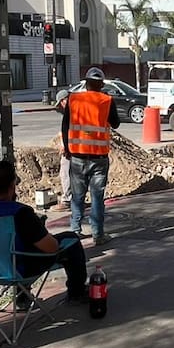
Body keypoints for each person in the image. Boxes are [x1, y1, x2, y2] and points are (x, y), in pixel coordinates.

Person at [0, 161, 88, 303]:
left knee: (17, 244)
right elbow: (52, 248)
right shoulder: (20, 213)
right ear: (12, 186)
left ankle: (22, 299)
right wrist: (36, 230)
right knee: (71, 240)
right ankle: (77, 293)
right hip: (15, 270)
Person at [63, 67, 119, 245]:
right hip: (99, 157)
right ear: (101, 84)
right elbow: (116, 123)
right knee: (97, 197)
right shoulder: (107, 100)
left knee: (77, 196)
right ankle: (98, 234)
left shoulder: (73, 99)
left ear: (86, 83)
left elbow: (65, 126)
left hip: (77, 155)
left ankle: (75, 230)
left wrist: (66, 147)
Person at [53, 88, 72, 210]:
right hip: (82, 148)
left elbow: (67, 131)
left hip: (72, 148)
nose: (61, 106)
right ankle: (76, 199)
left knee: (65, 172)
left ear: (64, 100)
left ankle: (67, 201)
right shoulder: (80, 109)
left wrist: (65, 146)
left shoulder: (70, 112)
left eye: (61, 102)